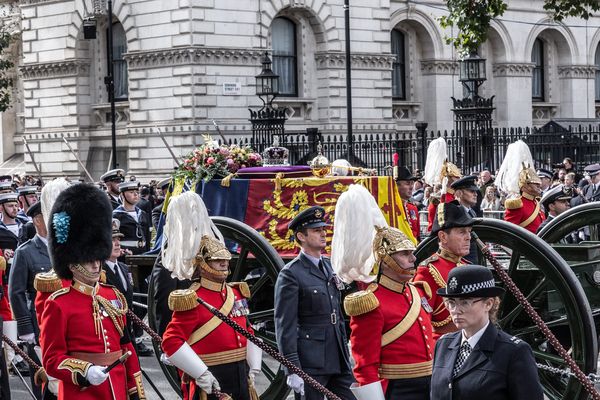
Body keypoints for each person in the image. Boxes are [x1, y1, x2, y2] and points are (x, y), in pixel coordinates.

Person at [39, 183, 145, 399]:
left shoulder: (112, 295)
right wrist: (84, 370)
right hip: (83, 391)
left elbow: (126, 346)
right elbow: (51, 360)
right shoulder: (58, 304)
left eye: (98, 259)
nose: (96, 265)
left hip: (117, 387)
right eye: (89, 261)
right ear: (71, 263)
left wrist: (135, 388)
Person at [160, 192, 262, 400]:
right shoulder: (191, 299)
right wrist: (200, 373)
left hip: (240, 373)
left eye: (225, 260)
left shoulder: (235, 292)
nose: (225, 264)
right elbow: (171, 342)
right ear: (203, 265)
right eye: (217, 261)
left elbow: (247, 329)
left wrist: (255, 364)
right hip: (211, 376)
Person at [275, 206, 355, 400]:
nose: (323, 234)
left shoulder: (329, 265)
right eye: (316, 230)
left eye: (323, 229)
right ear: (301, 237)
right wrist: (292, 368)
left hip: (337, 355)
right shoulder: (291, 274)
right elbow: (285, 325)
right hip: (311, 361)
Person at [345, 226, 433, 400]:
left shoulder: (418, 291)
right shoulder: (371, 302)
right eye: (404, 254)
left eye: (411, 253)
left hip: (431, 383)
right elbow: (365, 364)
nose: (413, 258)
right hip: (399, 389)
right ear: (386, 260)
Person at [430, 265, 543, 400]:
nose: (456, 310)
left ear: (488, 304)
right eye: (451, 302)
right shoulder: (443, 344)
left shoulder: (514, 352)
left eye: (465, 302)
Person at [413, 201, 474, 341]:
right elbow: (422, 323)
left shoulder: (465, 265)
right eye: (462, 232)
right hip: (444, 348)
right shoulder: (428, 271)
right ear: (443, 237)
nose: (468, 237)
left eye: (469, 232)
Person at [8, 202, 50, 399]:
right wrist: (26, 330)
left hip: (64, 320)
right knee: (42, 376)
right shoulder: (25, 252)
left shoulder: (65, 249)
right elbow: (15, 293)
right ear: (38, 220)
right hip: (38, 322)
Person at [112, 180, 152, 356]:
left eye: (137, 192)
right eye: (131, 192)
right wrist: (121, 251)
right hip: (126, 259)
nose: (135, 195)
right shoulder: (117, 215)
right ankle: (135, 336)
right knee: (131, 296)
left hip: (142, 257)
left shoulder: (142, 213)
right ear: (123, 195)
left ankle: (137, 332)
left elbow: (147, 236)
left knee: (144, 298)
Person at [103, 219, 136, 349]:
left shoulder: (124, 268)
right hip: (114, 335)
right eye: (112, 240)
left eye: (118, 239)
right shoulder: (99, 273)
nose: (117, 244)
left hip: (129, 331)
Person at [450, 176, 479, 263]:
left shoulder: (472, 212)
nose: (475, 194)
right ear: (459, 193)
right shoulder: (453, 211)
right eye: (471, 191)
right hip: (460, 260)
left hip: (472, 258)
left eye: (475, 191)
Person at [396, 166, 420, 241]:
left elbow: (417, 236)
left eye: (412, 183)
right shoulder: (391, 208)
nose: (411, 187)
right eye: (407, 184)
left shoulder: (413, 208)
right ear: (396, 186)